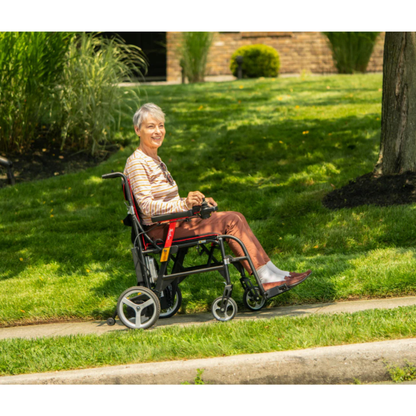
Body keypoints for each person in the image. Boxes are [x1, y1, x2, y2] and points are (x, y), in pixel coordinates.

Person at [124, 103, 312, 291]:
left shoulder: (154, 160)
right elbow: (148, 207)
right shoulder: (137, 163)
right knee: (230, 221)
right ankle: (266, 278)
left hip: (174, 223)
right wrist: (185, 204)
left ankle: (276, 273)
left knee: (236, 216)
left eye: (161, 125)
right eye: (151, 126)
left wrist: (195, 203)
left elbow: (163, 200)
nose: (158, 131)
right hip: (160, 229)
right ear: (137, 130)